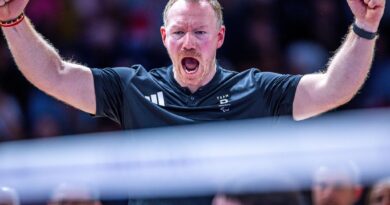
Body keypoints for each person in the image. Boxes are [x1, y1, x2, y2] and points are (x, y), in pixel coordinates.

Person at [0, 0, 386, 129]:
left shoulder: (258, 89)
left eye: (200, 33)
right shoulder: (131, 88)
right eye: (179, 32)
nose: (189, 41)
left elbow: (334, 88)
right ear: (164, 38)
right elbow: (55, 75)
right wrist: (13, 22)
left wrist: (365, 28)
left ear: (219, 38)